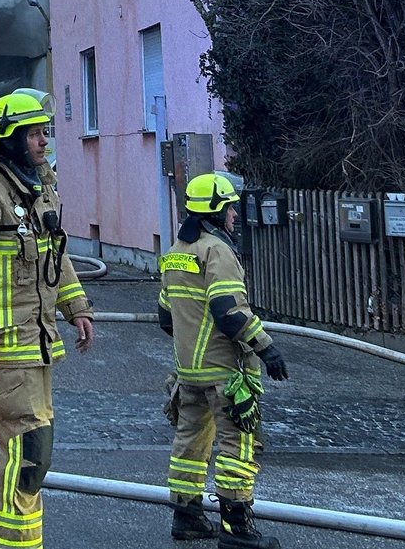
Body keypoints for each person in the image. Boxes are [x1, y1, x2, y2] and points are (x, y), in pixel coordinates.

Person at [0, 93, 94, 549]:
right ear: (9, 140)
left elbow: (55, 256)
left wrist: (77, 308)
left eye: (45, 131)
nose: (44, 141)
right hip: (5, 348)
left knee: (34, 453)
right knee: (28, 454)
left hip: (38, 345)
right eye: (34, 133)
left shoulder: (39, 187)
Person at [159, 173, 288, 547]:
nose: (234, 214)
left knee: (189, 444)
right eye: (230, 207)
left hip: (189, 373)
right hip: (225, 374)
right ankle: (238, 531)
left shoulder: (175, 251)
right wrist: (267, 349)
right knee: (238, 447)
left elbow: (166, 316)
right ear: (215, 212)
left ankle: (187, 518)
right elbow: (228, 311)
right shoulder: (218, 251)